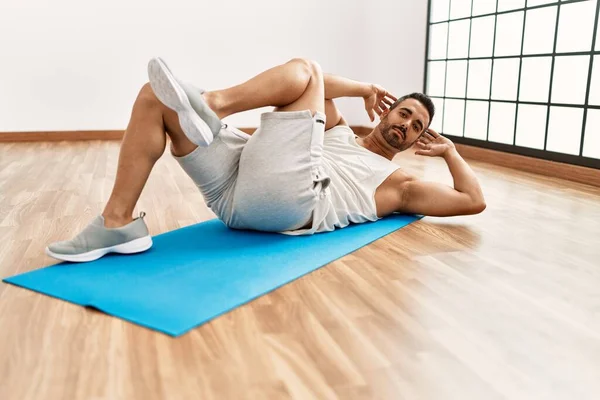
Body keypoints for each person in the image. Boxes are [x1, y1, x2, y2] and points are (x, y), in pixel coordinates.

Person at [45, 57, 485, 262]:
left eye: (415, 126)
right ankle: (117, 223)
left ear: (414, 140)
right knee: (154, 98)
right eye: (403, 113)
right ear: (385, 110)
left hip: (293, 204)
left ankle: (212, 105)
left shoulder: (399, 183)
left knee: (307, 69)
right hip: (235, 193)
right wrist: (364, 87)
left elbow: (471, 201)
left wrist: (450, 152)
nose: (405, 126)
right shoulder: (337, 129)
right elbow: (319, 89)